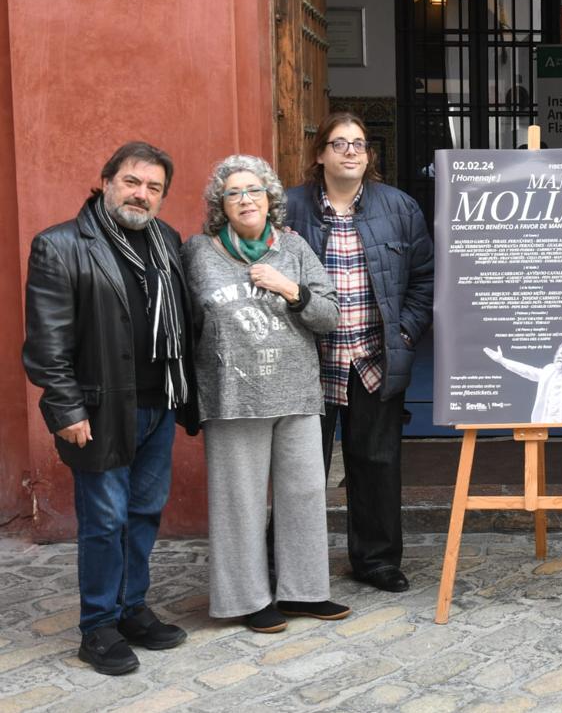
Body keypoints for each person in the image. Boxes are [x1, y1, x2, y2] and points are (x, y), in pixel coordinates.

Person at [23, 142, 196, 675]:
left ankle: (131, 608)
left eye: (154, 188)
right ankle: (97, 627)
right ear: (106, 181)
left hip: (158, 405)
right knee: (103, 521)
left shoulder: (166, 240)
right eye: (132, 182)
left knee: (144, 514)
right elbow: (46, 344)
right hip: (98, 412)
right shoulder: (61, 245)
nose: (141, 195)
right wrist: (66, 409)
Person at [184, 155, 348, 633]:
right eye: (233, 193)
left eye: (253, 190)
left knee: (303, 495)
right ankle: (248, 598)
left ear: (271, 199)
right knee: (240, 503)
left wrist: (291, 290)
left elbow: (329, 315)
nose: (245, 199)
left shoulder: (293, 249)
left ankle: (305, 592)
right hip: (231, 398)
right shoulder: (198, 252)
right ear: (221, 205)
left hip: (295, 394)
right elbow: (184, 324)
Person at [286, 112, 434, 593]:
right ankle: (294, 566)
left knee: (377, 463)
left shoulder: (399, 207)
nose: (351, 151)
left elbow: (423, 279)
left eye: (359, 144)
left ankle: (376, 560)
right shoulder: (288, 208)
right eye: (339, 143)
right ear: (320, 154)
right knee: (300, 470)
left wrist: (406, 334)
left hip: (374, 356)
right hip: (308, 360)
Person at [483, 343, 562, 423]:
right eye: (559, 354)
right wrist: (502, 360)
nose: (561, 356)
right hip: (547, 423)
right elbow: (526, 370)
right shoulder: (548, 372)